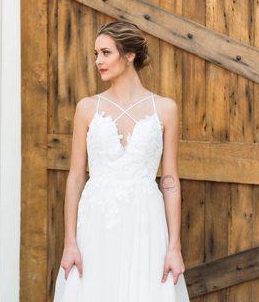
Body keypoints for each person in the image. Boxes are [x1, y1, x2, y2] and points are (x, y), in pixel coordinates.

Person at [53, 21, 189, 301]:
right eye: (96, 54)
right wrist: (70, 242)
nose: (98, 61)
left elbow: (170, 180)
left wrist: (174, 246)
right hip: (96, 223)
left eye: (105, 53)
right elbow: (76, 177)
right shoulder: (87, 108)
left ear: (129, 56)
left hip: (145, 222)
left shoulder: (165, 109)